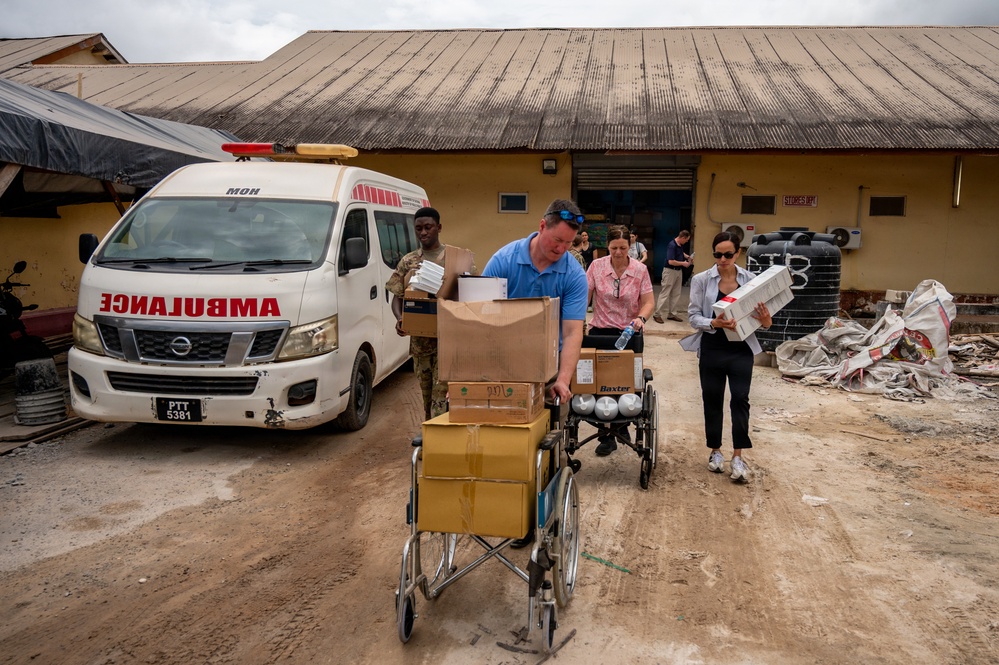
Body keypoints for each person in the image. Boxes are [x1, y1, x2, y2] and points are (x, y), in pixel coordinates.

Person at [483, 199, 588, 549]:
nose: (560, 249)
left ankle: (540, 516)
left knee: (545, 449)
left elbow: (573, 332)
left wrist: (563, 378)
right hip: (503, 368)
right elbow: (480, 321)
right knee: (503, 447)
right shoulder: (503, 261)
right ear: (542, 227)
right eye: (556, 241)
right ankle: (505, 510)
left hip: (546, 372)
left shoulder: (572, 273)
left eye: (568, 244)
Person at [684, 231, 772, 482]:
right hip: (712, 346)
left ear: (738, 253)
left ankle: (738, 456)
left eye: (728, 254)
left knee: (740, 399)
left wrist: (766, 321)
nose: (722, 259)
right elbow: (693, 317)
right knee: (712, 399)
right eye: (717, 254)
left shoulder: (751, 279)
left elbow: (764, 319)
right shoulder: (702, 280)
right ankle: (715, 452)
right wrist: (714, 322)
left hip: (741, 348)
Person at [386, 207, 460, 422]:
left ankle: (440, 438)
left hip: (448, 341)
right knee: (426, 394)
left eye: (428, 227)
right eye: (419, 228)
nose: (423, 233)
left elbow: (468, 294)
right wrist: (401, 318)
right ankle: (430, 435)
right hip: (420, 344)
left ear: (439, 228)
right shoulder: (408, 261)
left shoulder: (454, 259)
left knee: (441, 393)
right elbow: (397, 297)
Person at [586, 225, 654, 456]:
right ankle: (607, 434)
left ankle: (621, 425)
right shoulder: (596, 266)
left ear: (630, 247)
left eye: (623, 248)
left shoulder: (639, 270)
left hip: (628, 332)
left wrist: (641, 318)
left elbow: (648, 301)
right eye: (614, 247)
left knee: (626, 383)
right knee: (599, 383)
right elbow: (584, 296)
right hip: (600, 331)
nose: (618, 252)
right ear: (608, 246)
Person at [653, 229, 691, 323]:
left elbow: (680, 253)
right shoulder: (672, 245)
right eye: (686, 240)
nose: (687, 241)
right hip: (670, 271)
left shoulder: (679, 245)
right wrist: (683, 263)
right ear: (682, 237)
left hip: (678, 272)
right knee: (665, 293)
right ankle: (657, 314)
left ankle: (672, 314)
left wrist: (687, 256)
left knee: (676, 293)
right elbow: (671, 261)